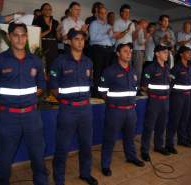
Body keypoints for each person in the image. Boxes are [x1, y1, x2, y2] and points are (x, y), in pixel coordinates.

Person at [0, 22, 48, 185]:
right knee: (4, 159)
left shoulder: (35, 61)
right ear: (9, 37)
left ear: (27, 37)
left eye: (23, 35)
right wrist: (8, 103)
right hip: (8, 118)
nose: (20, 39)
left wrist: (28, 100)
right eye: (16, 35)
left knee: (38, 156)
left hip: (32, 117)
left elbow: (42, 85)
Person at [49, 28, 98, 185]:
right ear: (69, 41)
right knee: (62, 146)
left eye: (82, 39)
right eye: (76, 39)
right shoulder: (60, 61)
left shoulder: (88, 62)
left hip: (85, 109)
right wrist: (66, 100)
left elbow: (90, 84)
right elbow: (53, 87)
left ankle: (85, 173)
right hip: (68, 110)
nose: (80, 42)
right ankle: (59, 179)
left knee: (86, 144)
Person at [98, 43, 145, 177]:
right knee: (109, 139)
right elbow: (101, 91)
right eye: (125, 51)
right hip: (115, 112)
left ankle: (131, 157)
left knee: (130, 137)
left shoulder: (133, 70)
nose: (129, 53)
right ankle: (105, 165)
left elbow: (135, 88)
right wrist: (113, 102)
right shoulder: (110, 71)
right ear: (118, 54)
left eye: (130, 51)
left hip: (131, 111)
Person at [140, 45, 170, 161]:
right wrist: (154, 93)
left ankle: (159, 146)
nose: (166, 54)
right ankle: (144, 150)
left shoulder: (167, 67)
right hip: (154, 101)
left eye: (167, 52)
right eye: (164, 52)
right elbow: (143, 86)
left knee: (162, 125)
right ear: (157, 54)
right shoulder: (150, 68)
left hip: (165, 101)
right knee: (149, 126)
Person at [165, 46, 191, 154]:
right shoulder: (176, 68)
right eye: (187, 53)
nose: (190, 54)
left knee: (184, 119)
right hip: (177, 97)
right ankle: (169, 144)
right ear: (181, 54)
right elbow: (170, 84)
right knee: (174, 120)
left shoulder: (190, 68)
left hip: (187, 97)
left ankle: (182, 139)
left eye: (190, 53)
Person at [89, 6, 114, 97]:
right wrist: (106, 35)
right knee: (98, 73)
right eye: (102, 13)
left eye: (105, 13)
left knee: (106, 73)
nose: (104, 15)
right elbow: (93, 38)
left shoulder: (109, 26)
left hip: (108, 50)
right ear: (98, 14)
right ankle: (95, 93)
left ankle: (104, 93)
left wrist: (113, 39)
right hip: (98, 50)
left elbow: (111, 40)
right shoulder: (94, 24)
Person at [33, 3, 59, 74]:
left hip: (53, 45)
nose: (48, 11)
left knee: (53, 65)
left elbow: (59, 38)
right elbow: (35, 36)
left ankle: (52, 79)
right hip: (43, 44)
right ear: (42, 11)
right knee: (43, 66)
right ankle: (43, 80)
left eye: (50, 9)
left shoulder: (55, 22)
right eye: (46, 9)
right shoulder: (37, 21)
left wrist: (58, 31)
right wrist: (48, 30)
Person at [132, 19, 148, 87]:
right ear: (142, 23)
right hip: (138, 51)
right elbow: (140, 42)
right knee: (138, 71)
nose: (146, 26)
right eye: (145, 24)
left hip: (137, 51)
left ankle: (136, 86)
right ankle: (136, 87)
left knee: (138, 70)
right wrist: (147, 38)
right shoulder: (140, 29)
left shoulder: (138, 29)